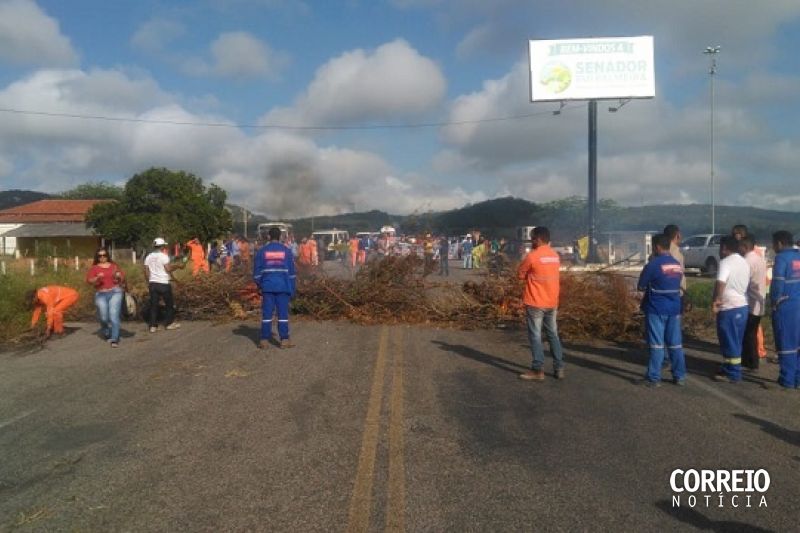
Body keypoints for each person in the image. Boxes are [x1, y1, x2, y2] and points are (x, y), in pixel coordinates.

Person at [637, 234, 687, 387]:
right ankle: (679, 376)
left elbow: (641, 286)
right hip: (674, 309)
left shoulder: (653, 264)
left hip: (656, 309)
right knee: (675, 344)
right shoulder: (676, 264)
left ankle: (653, 378)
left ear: (657, 247)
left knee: (657, 345)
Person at [517, 227, 565, 381]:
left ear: (537, 239)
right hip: (552, 302)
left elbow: (520, 275)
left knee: (536, 336)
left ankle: (538, 370)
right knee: (553, 335)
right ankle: (559, 368)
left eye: (532, 238)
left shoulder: (532, 256)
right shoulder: (555, 256)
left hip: (536, 302)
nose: (531, 241)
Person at [712, 235, 750, 383]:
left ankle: (733, 373)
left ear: (724, 248)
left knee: (729, 340)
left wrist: (717, 301)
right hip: (742, 306)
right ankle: (729, 366)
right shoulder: (744, 262)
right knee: (736, 340)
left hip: (729, 308)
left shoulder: (725, 262)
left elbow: (721, 283)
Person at [254, 226, 297, 349]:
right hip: (283, 287)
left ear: (268, 236)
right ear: (280, 237)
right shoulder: (287, 251)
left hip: (267, 287)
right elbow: (292, 273)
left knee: (267, 314)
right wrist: (292, 289)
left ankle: (264, 340)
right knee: (282, 314)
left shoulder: (262, 251)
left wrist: (260, 285)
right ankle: (284, 340)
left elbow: (257, 273)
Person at [770, 230, 800, 389]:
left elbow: (777, 283)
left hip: (786, 306)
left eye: (773, 244)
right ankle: (797, 378)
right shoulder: (798, 256)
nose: (773, 247)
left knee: (786, 342)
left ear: (780, 243)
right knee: (798, 344)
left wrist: (774, 302)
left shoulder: (781, 258)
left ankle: (787, 379)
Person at [86, 247, 125, 347]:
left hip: (115, 292)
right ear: (97, 257)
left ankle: (114, 339)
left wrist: (118, 276)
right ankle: (106, 331)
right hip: (101, 294)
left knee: (113, 315)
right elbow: (89, 280)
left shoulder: (114, 266)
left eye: (104, 255)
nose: (102, 257)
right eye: (100, 256)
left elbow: (122, 277)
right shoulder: (95, 268)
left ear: (108, 256)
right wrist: (97, 278)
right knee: (104, 317)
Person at [144, 237, 185, 333]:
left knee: (154, 305)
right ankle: (169, 324)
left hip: (153, 283)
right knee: (169, 304)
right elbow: (168, 269)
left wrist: (149, 281)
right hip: (163, 283)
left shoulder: (149, 257)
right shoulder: (163, 256)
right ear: (162, 246)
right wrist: (178, 266)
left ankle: (153, 326)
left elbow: (145, 271)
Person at [739, 236, 767, 371]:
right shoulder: (759, 259)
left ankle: (750, 362)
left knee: (748, 334)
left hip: (750, 302)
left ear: (745, 247)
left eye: (740, 246)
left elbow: (743, 282)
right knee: (752, 333)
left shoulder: (746, 261)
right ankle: (751, 361)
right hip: (759, 300)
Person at [663, 224, 686, 295]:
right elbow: (677, 276)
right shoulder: (677, 254)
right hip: (675, 293)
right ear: (677, 236)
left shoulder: (658, 251)